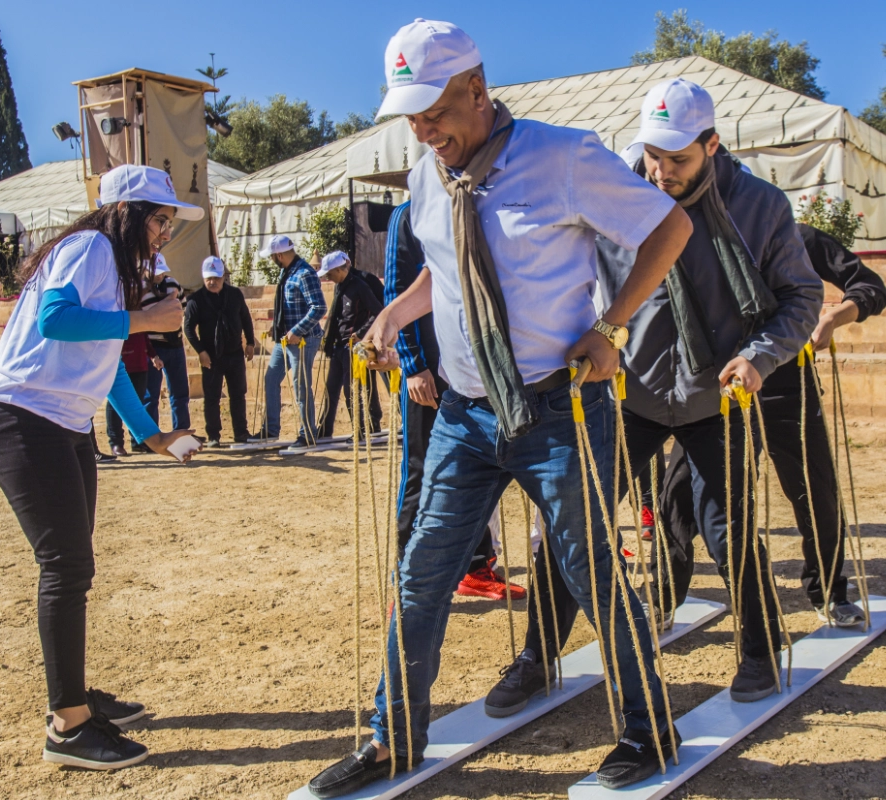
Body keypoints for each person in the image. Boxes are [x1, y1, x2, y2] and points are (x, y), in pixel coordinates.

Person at [306, 20, 693, 798]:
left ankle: (649, 729)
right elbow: (446, 269)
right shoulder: (427, 177)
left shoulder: (564, 157)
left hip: (559, 410)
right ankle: (393, 737)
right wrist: (395, 314)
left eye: (434, 112)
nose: (423, 131)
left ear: (477, 90)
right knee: (421, 572)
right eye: (411, 118)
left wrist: (612, 325)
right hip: (464, 415)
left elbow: (670, 227)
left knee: (590, 571)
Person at [492, 78, 822, 718]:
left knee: (728, 528)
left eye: (678, 159)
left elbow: (802, 297)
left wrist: (759, 357)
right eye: (652, 155)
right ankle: (538, 655)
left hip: (716, 396)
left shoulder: (759, 205)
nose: (661, 171)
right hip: (625, 396)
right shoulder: (614, 190)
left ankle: (759, 647)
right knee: (570, 523)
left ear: (712, 145)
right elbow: (569, 273)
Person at [0, 163, 201, 770]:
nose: (164, 233)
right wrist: (145, 320)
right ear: (125, 212)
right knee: (66, 566)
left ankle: (73, 696)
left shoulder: (111, 264)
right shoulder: (91, 246)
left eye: (169, 224)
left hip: (64, 425)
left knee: (75, 568)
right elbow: (55, 319)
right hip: (24, 419)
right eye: (158, 220)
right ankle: (67, 727)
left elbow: (109, 365)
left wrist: (153, 436)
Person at [654, 223, 886, 626]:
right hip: (714, 391)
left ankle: (829, 592)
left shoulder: (798, 236)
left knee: (815, 490)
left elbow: (870, 286)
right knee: (679, 495)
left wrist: (833, 318)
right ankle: (664, 599)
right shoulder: (692, 235)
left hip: (787, 386)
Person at [384, 200, 525, 600]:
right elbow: (397, 289)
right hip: (429, 371)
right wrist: (413, 364)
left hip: (475, 367)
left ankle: (477, 566)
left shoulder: (482, 201)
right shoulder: (410, 212)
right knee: (423, 470)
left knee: (479, 464)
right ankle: (407, 575)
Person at [260, 235, 326, 447]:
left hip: (303, 340)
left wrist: (297, 330)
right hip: (285, 339)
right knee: (271, 379)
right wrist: (277, 325)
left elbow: (319, 307)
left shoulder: (305, 273)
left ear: (279, 255)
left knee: (301, 386)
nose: (272, 260)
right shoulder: (286, 271)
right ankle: (270, 430)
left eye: (272, 256)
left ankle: (307, 434)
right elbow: (286, 304)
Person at [184, 256, 255, 447]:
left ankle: (241, 432)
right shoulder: (196, 300)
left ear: (223, 277)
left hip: (234, 353)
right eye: (209, 278)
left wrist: (250, 342)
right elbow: (189, 328)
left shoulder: (235, 295)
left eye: (216, 278)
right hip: (211, 356)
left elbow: (245, 318)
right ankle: (213, 435)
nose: (213, 282)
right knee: (212, 397)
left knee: (238, 394)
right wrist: (200, 351)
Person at [317, 251, 383, 441]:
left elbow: (378, 311)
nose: (328, 278)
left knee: (353, 389)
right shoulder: (340, 287)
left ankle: (361, 430)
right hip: (339, 345)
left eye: (330, 274)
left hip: (357, 347)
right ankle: (325, 429)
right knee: (331, 388)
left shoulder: (360, 285)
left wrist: (361, 333)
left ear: (340, 270)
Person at [142, 253, 191, 431]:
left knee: (180, 392)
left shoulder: (173, 284)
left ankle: (182, 430)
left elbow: (183, 307)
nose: (159, 275)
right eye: (156, 273)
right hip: (154, 346)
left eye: (162, 272)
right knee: (151, 394)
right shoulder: (140, 289)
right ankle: (151, 434)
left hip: (175, 344)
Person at [106, 332, 161, 455]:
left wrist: (153, 355)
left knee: (137, 405)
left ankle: (138, 442)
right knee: (115, 406)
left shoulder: (139, 318)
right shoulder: (116, 319)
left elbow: (145, 337)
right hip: (119, 364)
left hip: (140, 363)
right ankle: (116, 442)